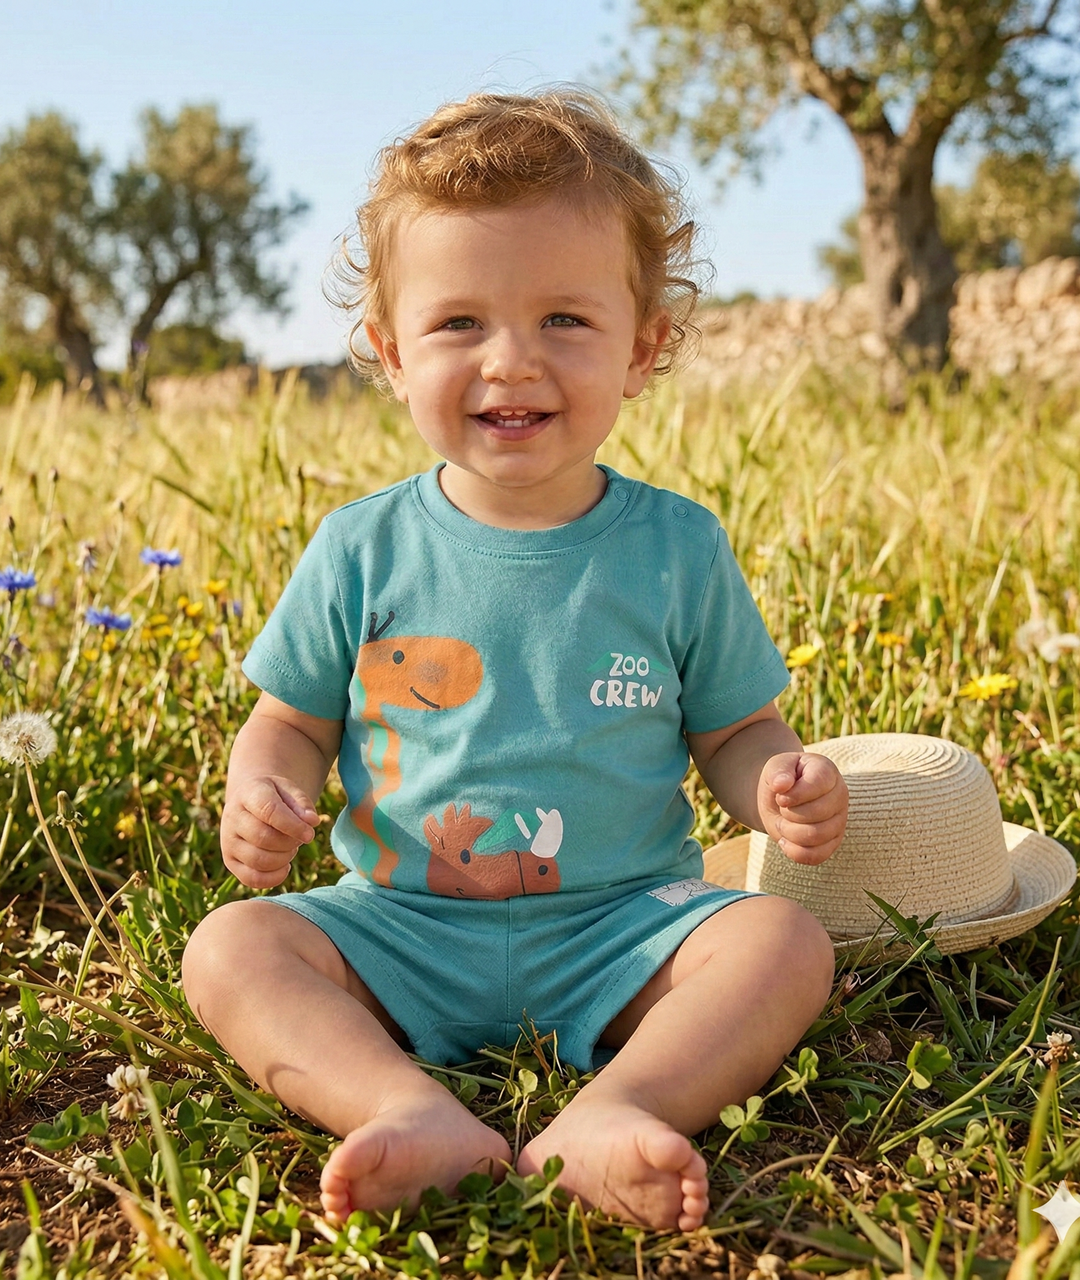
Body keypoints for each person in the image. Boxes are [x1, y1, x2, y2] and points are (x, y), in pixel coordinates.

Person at [182, 89, 848, 1234]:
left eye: (563, 321)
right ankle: (399, 1103)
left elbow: (733, 730)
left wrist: (774, 784)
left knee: (781, 938)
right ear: (389, 355)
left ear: (642, 347)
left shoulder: (674, 545)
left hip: (626, 927)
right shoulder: (360, 545)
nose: (511, 362)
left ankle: (620, 1103)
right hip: (398, 929)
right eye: (457, 325)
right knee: (232, 946)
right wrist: (264, 784)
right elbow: (292, 716)